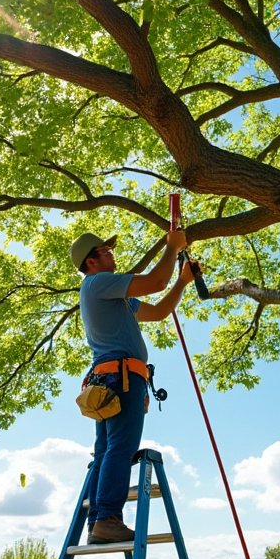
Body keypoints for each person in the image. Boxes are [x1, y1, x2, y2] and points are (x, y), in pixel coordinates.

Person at [70, 228, 191, 543]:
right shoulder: (98, 283)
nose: (112, 253)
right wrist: (172, 246)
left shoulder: (113, 295)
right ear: (91, 261)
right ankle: (108, 518)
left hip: (108, 379)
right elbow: (155, 282)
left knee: (106, 451)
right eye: (105, 250)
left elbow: (160, 311)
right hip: (121, 379)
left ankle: (98, 522)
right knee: (120, 449)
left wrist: (182, 282)